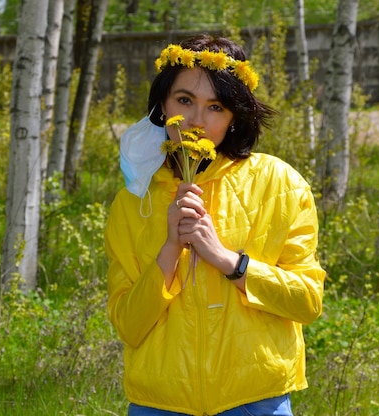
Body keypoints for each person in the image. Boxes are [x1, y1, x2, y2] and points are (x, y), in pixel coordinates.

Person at [105, 34, 326, 416]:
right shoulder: (133, 200)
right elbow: (128, 325)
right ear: (163, 105)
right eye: (185, 100)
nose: (195, 120)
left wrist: (228, 261)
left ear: (235, 115)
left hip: (255, 401)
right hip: (159, 403)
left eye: (216, 107)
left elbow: (307, 302)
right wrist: (170, 249)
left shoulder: (280, 183)